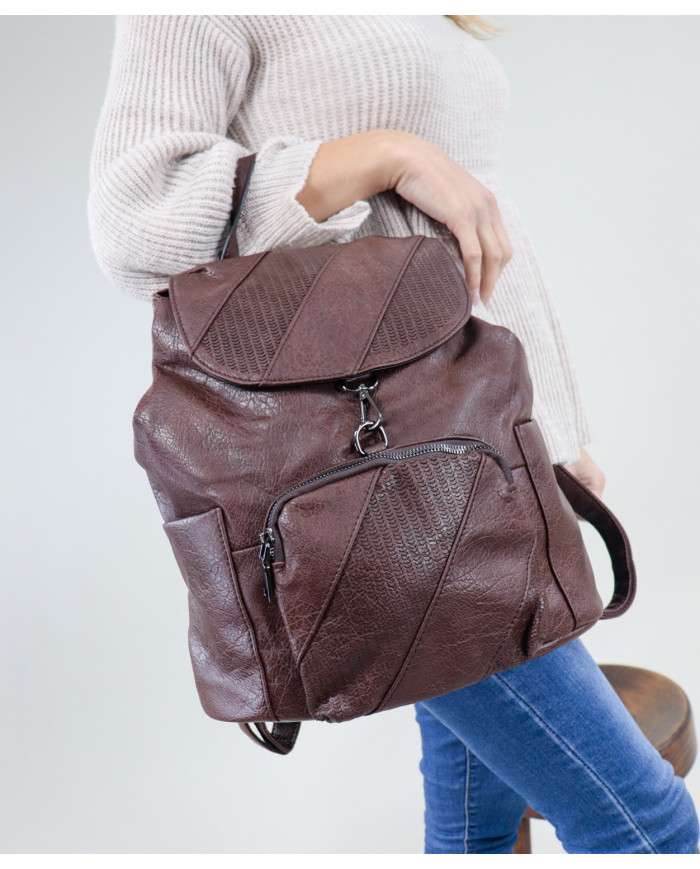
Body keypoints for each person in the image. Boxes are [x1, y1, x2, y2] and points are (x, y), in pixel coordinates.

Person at [88, 15, 699, 854]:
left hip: (479, 446)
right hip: (392, 484)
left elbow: (475, 218)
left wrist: (549, 428)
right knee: (650, 826)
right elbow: (134, 220)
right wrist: (387, 154)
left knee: (476, 828)